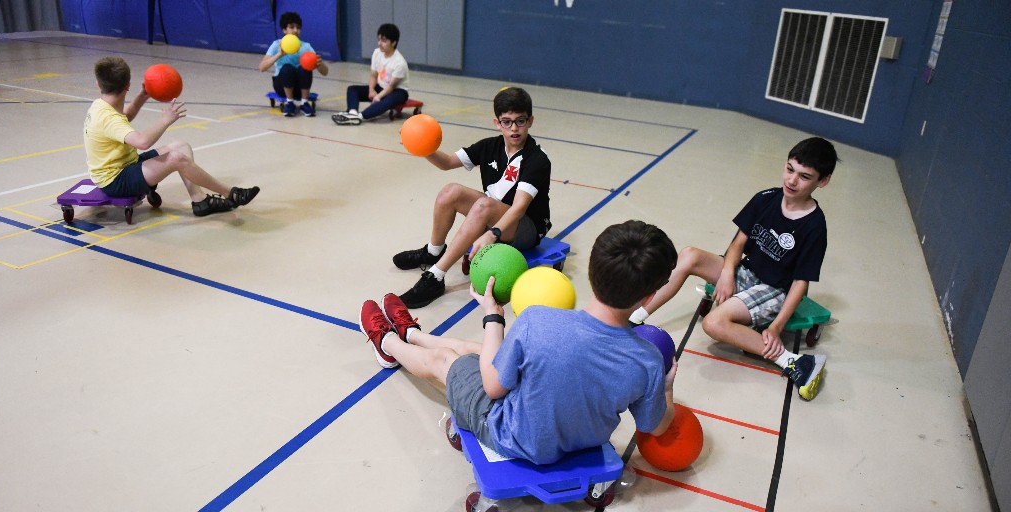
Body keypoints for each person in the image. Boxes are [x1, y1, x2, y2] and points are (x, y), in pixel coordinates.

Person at [358, 220, 679, 465]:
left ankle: (387, 344)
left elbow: (494, 387)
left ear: (593, 273)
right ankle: (414, 335)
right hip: (582, 442)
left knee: (446, 361)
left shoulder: (539, 321)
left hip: (513, 435)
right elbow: (655, 426)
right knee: (482, 352)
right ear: (648, 296)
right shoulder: (648, 360)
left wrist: (493, 317)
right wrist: (665, 386)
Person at [629, 137, 839, 401]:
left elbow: (800, 283)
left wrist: (775, 327)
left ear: (823, 181)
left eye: (804, 176)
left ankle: (794, 362)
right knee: (690, 255)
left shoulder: (815, 226)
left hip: (773, 288)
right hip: (745, 272)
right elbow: (738, 244)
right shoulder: (766, 198)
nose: (792, 180)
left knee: (714, 323)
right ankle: (635, 316)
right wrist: (727, 274)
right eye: (789, 169)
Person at [392, 87, 551, 308]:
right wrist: (421, 147)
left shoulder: (537, 159)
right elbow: (447, 163)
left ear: (530, 121)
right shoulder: (489, 146)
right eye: (507, 122)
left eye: (520, 121)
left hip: (525, 227)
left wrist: (493, 234)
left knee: (484, 205)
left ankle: (435, 277)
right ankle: (433, 252)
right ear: (497, 123)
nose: (514, 128)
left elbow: (519, 208)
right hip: (493, 215)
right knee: (451, 192)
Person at [84, 57, 259, 217]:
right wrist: (165, 120)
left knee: (181, 146)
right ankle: (231, 193)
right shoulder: (108, 118)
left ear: (98, 84)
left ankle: (200, 201)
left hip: (126, 165)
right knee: (176, 158)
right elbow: (142, 142)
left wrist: (143, 96)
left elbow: (126, 117)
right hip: (115, 181)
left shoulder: (100, 106)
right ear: (128, 85)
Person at [331, 23, 409, 125]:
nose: (380, 43)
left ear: (393, 42)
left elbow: (391, 86)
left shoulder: (399, 62)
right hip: (381, 87)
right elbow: (373, 75)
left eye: (384, 41)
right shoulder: (377, 53)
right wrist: (371, 90)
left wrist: (378, 96)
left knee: (387, 101)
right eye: (379, 39)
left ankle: (360, 116)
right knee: (352, 89)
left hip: (397, 91)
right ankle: (352, 113)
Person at [259, 11, 329, 117]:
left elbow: (325, 72)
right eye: (292, 27)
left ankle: (304, 103)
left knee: (304, 68)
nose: (295, 30)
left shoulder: (306, 47)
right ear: (284, 30)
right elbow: (262, 67)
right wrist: (278, 55)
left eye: (298, 27)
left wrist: (320, 64)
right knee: (287, 68)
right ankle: (289, 102)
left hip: (300, 87)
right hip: (281, 86)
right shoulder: (277, 44)